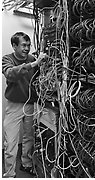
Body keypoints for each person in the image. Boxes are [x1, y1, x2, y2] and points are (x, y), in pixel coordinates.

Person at [2, 32, 46, 178]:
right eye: (23, 45)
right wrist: (34, 64)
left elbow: (40, 78)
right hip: (14, 106)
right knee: (11, 143)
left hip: (30, 104)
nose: (26, 48)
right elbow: (10, 74)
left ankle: (26, 164)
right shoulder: (7, 59)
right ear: (14, 46)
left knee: (29, 137)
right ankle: (9, 174)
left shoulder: (32, 58)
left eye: (28, 45)